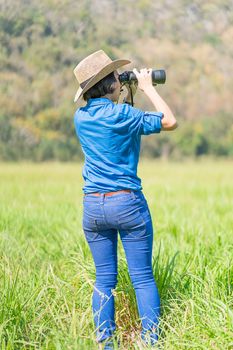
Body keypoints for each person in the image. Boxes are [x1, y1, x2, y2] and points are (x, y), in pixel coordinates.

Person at [73, 50, 178, 349]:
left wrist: (123, 90)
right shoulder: (124, 115)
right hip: (127, 204)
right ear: (109, 85)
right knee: (142, 278)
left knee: (104, 279)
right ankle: (150, 342)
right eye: (117, 78)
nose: (121, 81)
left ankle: (106, 343)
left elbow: (110, 118)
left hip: (93, 206)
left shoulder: (80, 117)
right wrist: (147, 89)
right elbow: (169, 121)